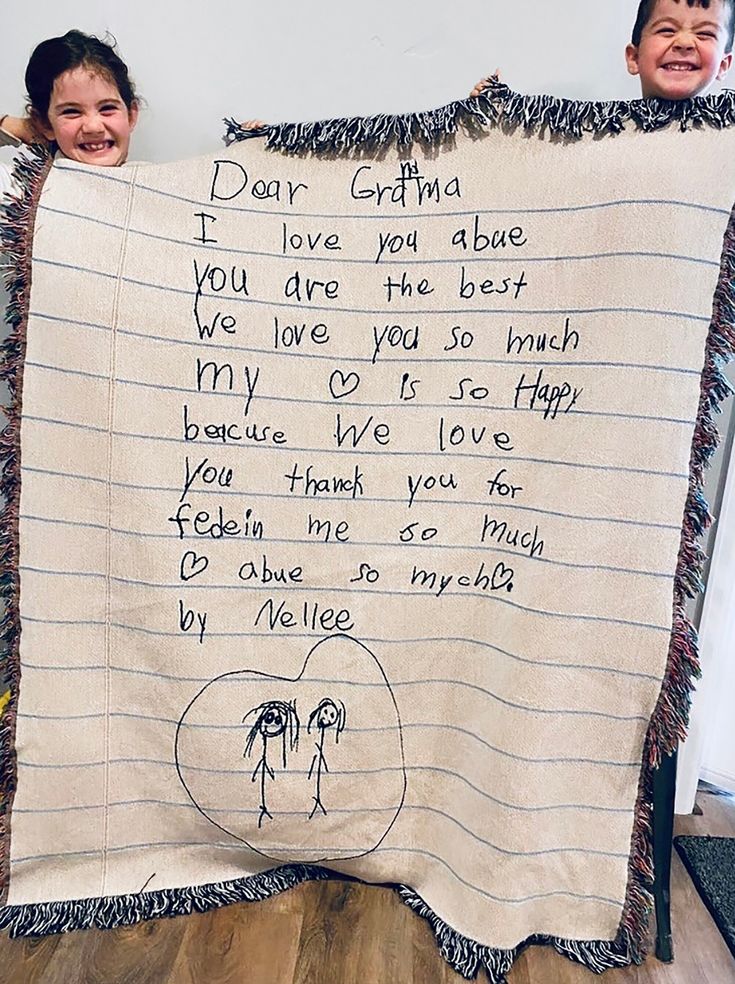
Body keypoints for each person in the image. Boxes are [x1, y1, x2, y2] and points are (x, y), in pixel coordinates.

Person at [471, 0, 733, 100]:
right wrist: (488, 119)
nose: (685, 42)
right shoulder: (602, 135)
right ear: (634, 57)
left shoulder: (726, 150)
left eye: (705, 34)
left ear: (724, 64)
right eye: (666, 30)